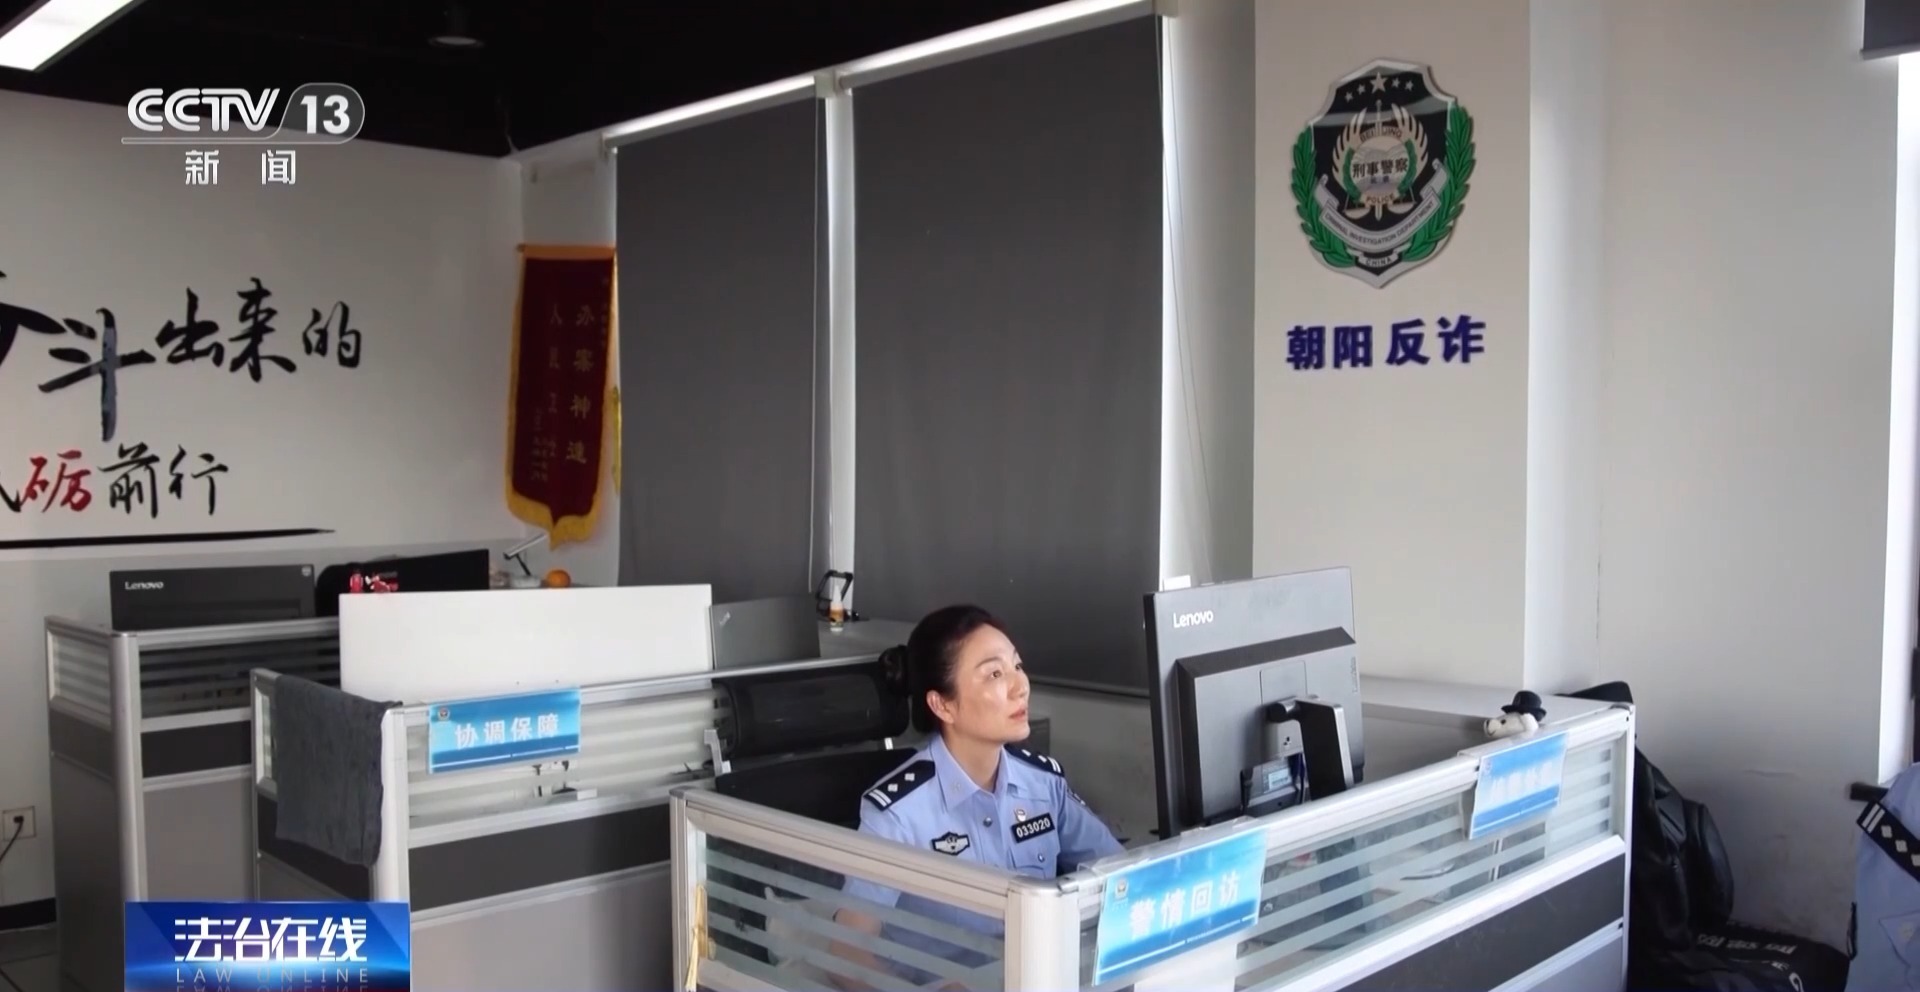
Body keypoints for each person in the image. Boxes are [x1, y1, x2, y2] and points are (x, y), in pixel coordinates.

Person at [828, 605, 1123, 989]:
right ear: (943, 705)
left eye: (1017, 666)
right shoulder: (900, 814)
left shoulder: (1042, 784)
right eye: (995, 674)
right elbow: (845, 954)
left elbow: (1122, 874)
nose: (1020, 686)